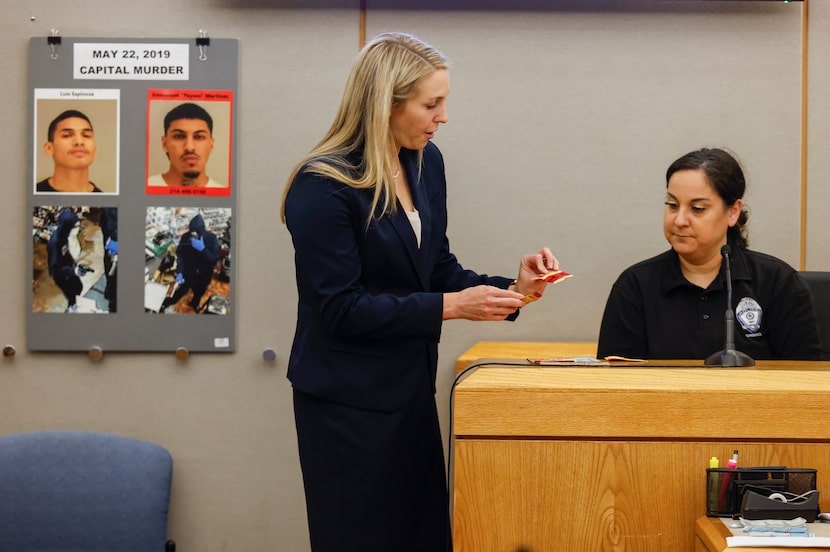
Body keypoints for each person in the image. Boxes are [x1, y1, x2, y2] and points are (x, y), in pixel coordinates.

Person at [280, 32, 559, 552]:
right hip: (346, 407)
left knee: (421, 535)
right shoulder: (321, 186)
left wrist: (514, 289)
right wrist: (453, 308)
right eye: (432, 104)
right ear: (386, 103)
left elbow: (435, 269)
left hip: (408, 393)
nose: (443, 116)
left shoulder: (426, 164)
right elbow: (340, 309)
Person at [597, 147, 822, 361]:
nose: (679, 220)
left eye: (697, 209)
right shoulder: (635, 286)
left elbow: (805, 377)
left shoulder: (778, 283)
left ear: (732, 212)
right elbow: (616, 383)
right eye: (672, 205)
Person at [147, 103, 223, 188]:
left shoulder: (224, 196)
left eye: (199, 137)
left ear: (211, 145)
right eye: (179, 136)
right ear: (165, 144)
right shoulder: (143, 188)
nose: (189, 147)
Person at [160, 213, 220, 313]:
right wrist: (180, 271)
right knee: (181, 290)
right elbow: (181, 255)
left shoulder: (212, 239)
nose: (193, 235)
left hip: (203, 275)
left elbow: (213, 260)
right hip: (188, 272)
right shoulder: (186, 237)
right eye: (192, 232)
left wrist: (203, 249)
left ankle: (194, 303)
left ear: (202, 230)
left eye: (196, 232)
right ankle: (171, 301)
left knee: (199, 292)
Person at [37, 110, 102, 193]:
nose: (79, 141)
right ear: (49, 148)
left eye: (86, 135)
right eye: (67, 135)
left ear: (95, 149)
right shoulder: (32, 195)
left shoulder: (107, 204)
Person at [47, 209, 91, 313]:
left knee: (78, 287)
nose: (77, 228)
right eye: (75, 226)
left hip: (68, 268)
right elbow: (54, 270)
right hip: (61, 275)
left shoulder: (65, 236)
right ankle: (71, 309)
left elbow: (67, 253)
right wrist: (72, 271)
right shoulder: (54, 243)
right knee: (71, 293)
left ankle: (73, 304)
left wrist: (75, 266)